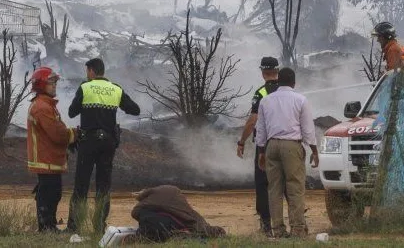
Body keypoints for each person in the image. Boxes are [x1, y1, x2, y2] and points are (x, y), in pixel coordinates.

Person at [66, 58, 140, 233]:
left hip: (88, 142)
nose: (87, 74)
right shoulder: (116, 89)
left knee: (81, 185)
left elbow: (71, 112)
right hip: (107, 144)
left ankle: (74, 226)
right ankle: (99, 226)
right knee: (103, 186)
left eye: (87, 71)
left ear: (91, 71)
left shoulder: (85, 87)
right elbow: (135, 110)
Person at [255, 67, 319, 238]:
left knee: (274, 189)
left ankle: (278, 230)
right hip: (292, 146)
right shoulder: (300, 100)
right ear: (294, 82)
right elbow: (307, 129)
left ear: (278, 81)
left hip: (272, 146)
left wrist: (261, 151)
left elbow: (260, 129)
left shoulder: (266, 101)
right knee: (295, 187)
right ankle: (298, 229)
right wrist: (314, 149)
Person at [27, 67, 78, 232]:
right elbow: (57, 133)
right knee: (49, 194)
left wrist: (70, 135)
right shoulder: (42, 107)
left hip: (50, 159)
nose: (54, 85)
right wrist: (75, 134)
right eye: (51, 82)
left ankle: (49, 225)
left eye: (55, 82)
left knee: (52, 193)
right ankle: (46, 227)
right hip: (46, 159)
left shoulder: (47, 105)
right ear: (41, 85)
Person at [236, 56, 279, 236]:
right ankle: (295, 222)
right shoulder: (289, 91)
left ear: (262, 73)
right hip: (287, 142)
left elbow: (252, 120)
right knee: (286, 183)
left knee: (263, 183)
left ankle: (266, 224)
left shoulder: (260, 93)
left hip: (265, 144)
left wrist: (242, 141)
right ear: (277, 71)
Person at [131, 185, 226, 242]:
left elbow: (135, 212)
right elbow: (209, 230)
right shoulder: (188, 212)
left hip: (152, 229)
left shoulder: (143, 206)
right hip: (168, 229)